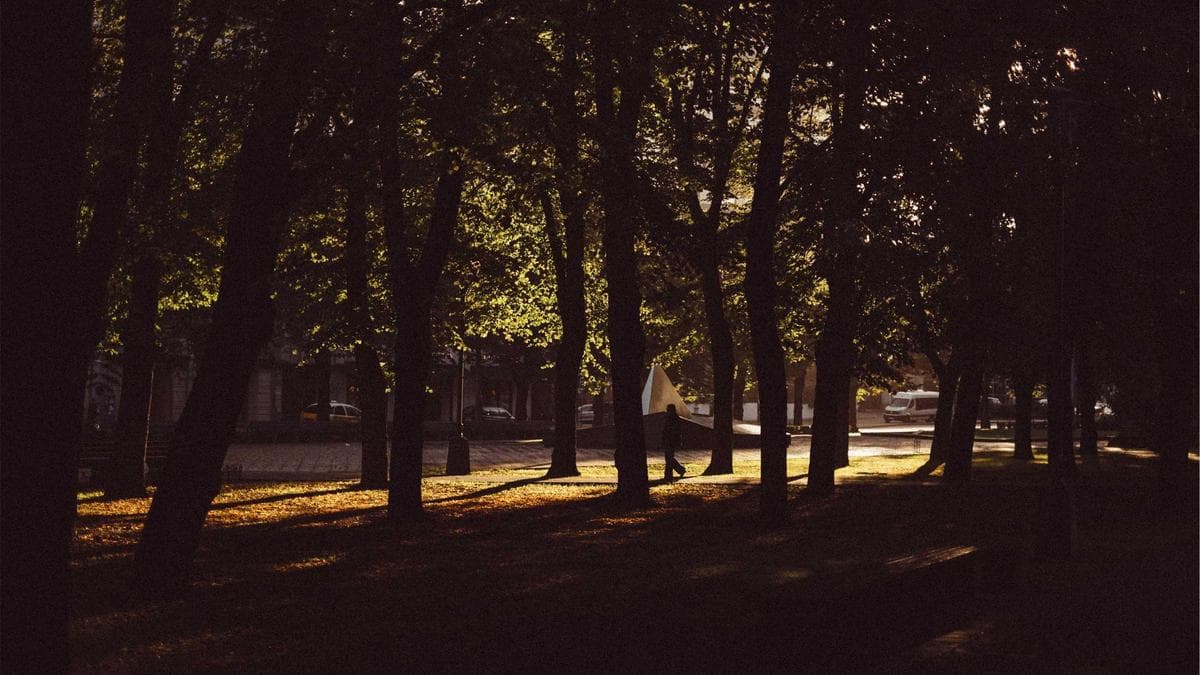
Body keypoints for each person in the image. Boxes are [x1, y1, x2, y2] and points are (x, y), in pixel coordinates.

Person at [661, 404, 686, 481]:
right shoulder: (675, 418)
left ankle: (678, 471)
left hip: (670, 441)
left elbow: (667, 431)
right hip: (672, 441)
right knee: (669, 458)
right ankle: (670, 475)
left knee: (669, 458)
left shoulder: (671, 419)